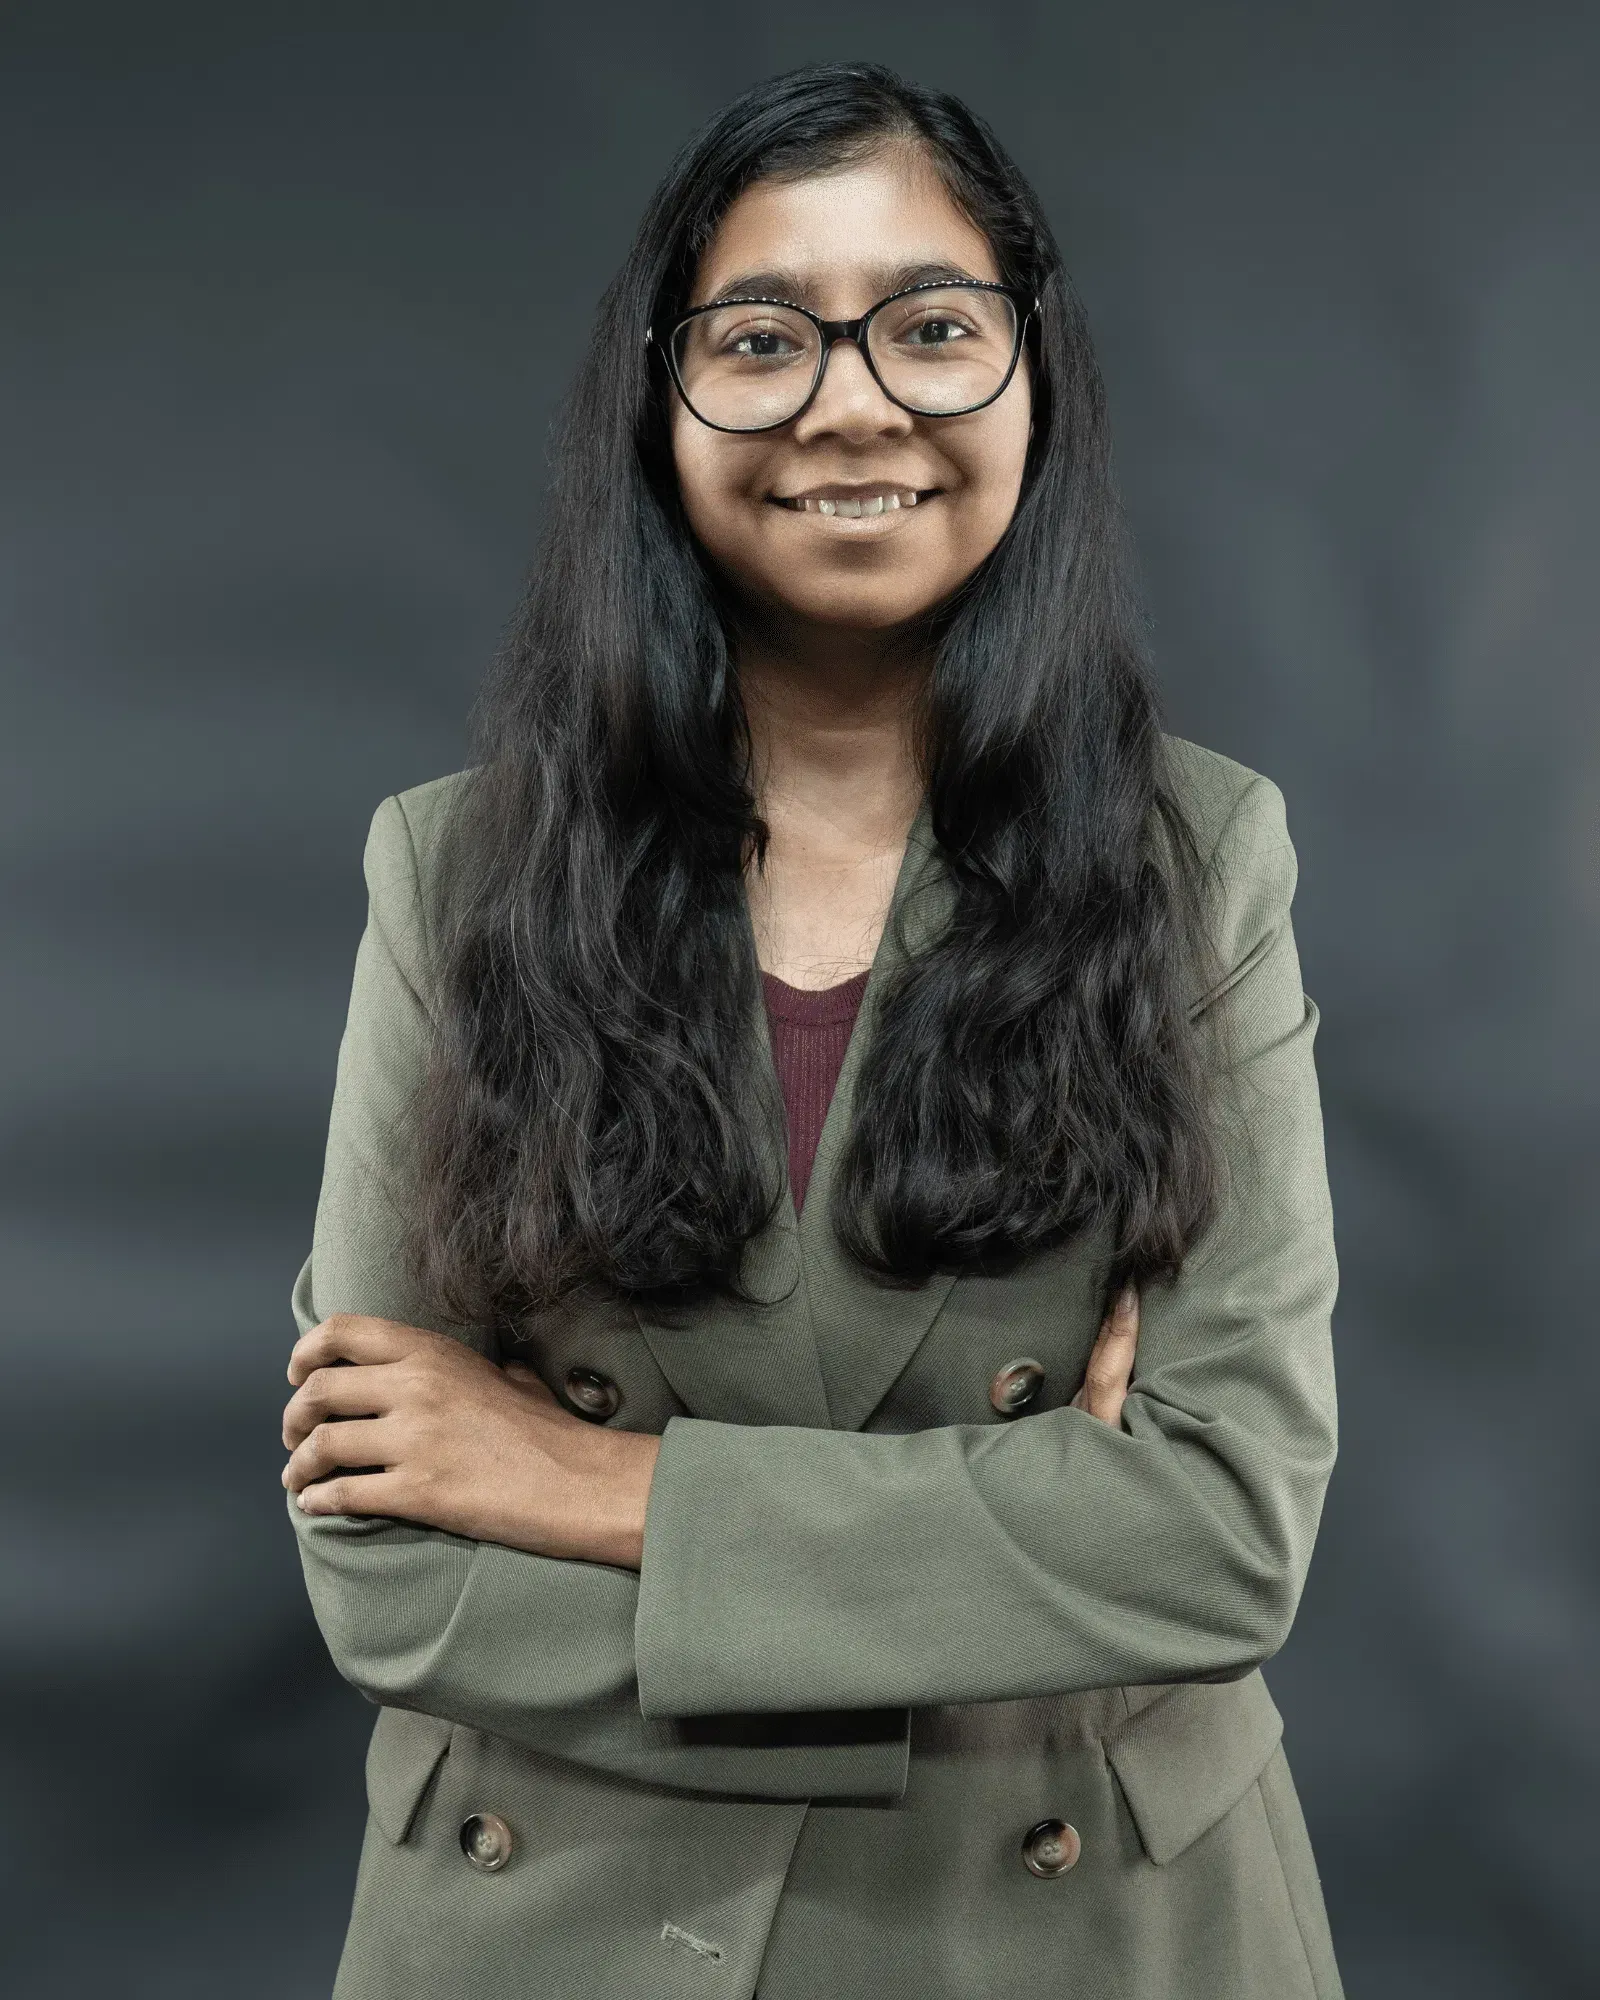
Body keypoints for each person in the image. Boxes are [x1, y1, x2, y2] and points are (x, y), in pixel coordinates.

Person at [280, 61, 1342, 2000]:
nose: (852, 400)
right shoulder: (450, 873)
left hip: (1082, 1925)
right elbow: (387, 1561)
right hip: (554, 1922)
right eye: (763, 337)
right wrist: (999, 1573)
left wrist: (592, 1485)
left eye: (929, 327)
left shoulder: (1203, 858)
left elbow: (1212, 1532)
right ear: (658, 400)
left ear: (1031, 371)